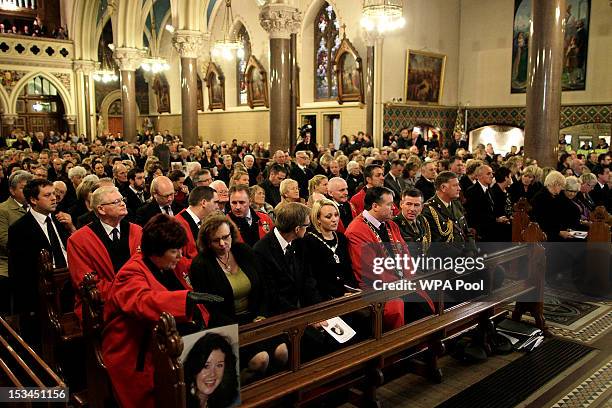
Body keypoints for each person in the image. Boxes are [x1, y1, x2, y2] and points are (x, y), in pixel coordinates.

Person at [102, 214, 222, 408]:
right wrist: (185, 300)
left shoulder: (167, 265)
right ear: (157, 252)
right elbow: (142, 301)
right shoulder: (130, 272)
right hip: (135, 353)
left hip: (167, 344)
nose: (180, 256)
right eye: (174, 251)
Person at [345, 187, 434, 330]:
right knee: (411, 308)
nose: (393, 207)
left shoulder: (390, 224)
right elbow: (369, 269)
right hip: (378, 287)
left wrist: (409, 279)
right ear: (375, 206)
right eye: (389, 204)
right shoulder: (356, 230)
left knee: (425, 302)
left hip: (401, 282)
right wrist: (400, 285)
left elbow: (406, 256)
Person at [8, 179, 75, 344]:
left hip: (69, 285)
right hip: (43, 293)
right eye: (47, 195)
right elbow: (20, 271)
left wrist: (72, 228)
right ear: (33, 200)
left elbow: (73, 249)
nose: (54, 198)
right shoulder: (20, 228)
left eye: (54, 194)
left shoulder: (61, 221)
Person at [67, 186, 142, 322]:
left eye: (122, 199)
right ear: (101, 209)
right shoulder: (79, 240)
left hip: (138, 297)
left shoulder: (137, 231)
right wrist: (125, 293)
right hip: (100, 305)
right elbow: (85, 283)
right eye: (116, 202)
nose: (123, 203)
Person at [253, 202, 321, 315]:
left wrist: (318, 309)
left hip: (304, 307)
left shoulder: (300, 242)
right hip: (281, 314)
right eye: (307, 226)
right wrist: (301, 316)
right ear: (297, 229)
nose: (308, 229)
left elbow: (308, 279)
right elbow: (271, 294)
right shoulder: (262, 251)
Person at [302, 199, 358, 300]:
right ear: (318, 218)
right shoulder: (309, 241)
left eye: (336, 215)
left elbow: (348, 269)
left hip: (348, 293)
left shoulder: (341, 238)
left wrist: (352, 290)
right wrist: (339, 294)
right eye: (328, 216)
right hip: (324, 297)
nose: (334, 219)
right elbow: (314, 276)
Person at [0, 170, 33, 313]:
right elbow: (4, 241)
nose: (27, 191)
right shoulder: (3, 210)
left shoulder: (34, 207)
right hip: (8, 266)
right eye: (22, 188)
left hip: (33, 264)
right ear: (12, 190)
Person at [184, 332, 239, 408]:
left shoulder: (231, 398)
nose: (213, 374)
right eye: (206, 366)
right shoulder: (179, 401)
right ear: (194, 366)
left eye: (219, 365)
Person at [531, 171, 576, 241]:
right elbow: (543, 221)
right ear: (555, 184)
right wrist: (559, 232)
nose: (562, 189)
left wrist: (566, 228)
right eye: (561, 186)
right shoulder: (540, 198)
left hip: (556, 231)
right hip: (546, 235)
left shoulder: (555, 196)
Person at [393, 188, 431, 257]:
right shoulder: (394, 224)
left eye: (416, 205)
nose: (412, 209)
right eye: (409, 204)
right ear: (401, 204)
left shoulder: (422, 220)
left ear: (422, 207)